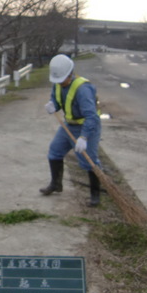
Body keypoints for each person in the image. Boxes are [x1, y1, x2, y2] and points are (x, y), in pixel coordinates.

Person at [41, 54, 102, 206]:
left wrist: (84, 137)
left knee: (89, 161)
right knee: (55, 151)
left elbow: (91, 117)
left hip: (87, 126)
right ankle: (56, 184)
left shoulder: (83, 89)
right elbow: (57, 100)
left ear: (70, 73)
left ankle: (95, 195)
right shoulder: (57, 83)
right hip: (69, 125)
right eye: (57, 80)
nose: (60, 83)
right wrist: (53, 106)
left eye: (62, 80)